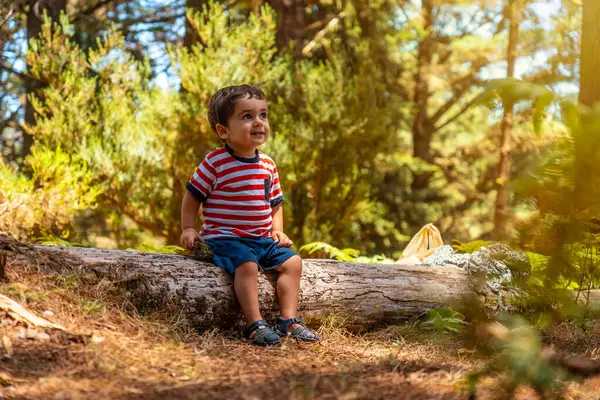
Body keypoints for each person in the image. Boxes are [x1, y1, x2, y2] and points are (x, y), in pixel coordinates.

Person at [180, 84, 320, 346]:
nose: (259, 122)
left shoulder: (268, 164)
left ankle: (288, 320)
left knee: (293, 263)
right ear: (223, 131)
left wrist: (277, 230)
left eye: (263, 115)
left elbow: (275, 202)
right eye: (247, 116)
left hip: (261, 239)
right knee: (247, 265)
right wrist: (188, 228)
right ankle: (255, 324)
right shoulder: (215, 162)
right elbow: (192, 196)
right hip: (225, 237)